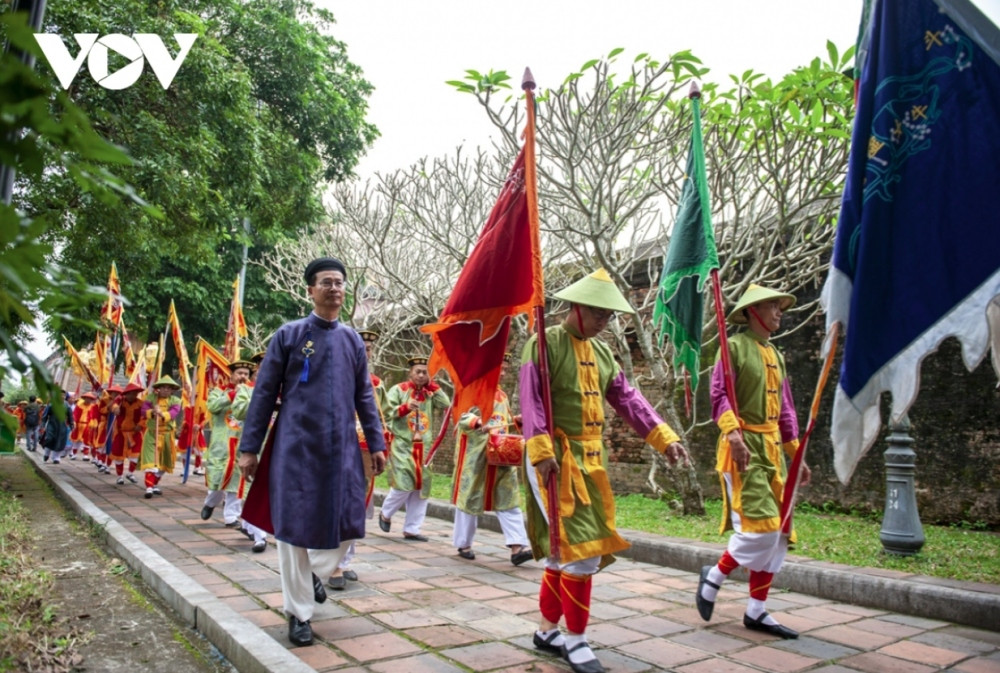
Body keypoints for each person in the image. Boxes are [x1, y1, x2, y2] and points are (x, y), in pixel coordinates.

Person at [519, 268, 689, 673]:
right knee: (582, 553)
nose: (604, 321)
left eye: (609, 316)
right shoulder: (542, 344)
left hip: (591, 462)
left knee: (566, 553)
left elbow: (629, 399)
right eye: (599, 313)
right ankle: (575, 640)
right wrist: (542, 453)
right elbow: (531, 401)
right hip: (554, 458)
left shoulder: (604, 353)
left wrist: (664, 437)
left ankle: (546, 631)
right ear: (577, 307)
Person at [237, 257, 387, 648]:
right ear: (310, 290)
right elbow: (264, 395)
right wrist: (249, 448)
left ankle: (315, 576)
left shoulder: (353, 340)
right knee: (291, 531)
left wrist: (376, 442)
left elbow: (364, 397)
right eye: (326, 282)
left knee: (348, 518)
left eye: (339, 282)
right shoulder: (289, 335)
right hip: (294, 447)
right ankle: (299, 613)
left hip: (340, 449)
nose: (334, 288)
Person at [695, 284, 810, 640]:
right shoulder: (732, 348)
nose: (779, 313)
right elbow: (718, 395)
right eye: (773, 307)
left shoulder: (776, 354)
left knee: (779, 535)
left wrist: (796, 454)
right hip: (742, 447)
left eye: (780, 307)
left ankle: (756, 610)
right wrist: (732, 434)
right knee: (760, 528)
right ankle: (713, 575)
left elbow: (786, 408)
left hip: (772, 448)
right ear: (753, 311)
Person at [452, 352, 532, 565]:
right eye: (500, 368)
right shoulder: (470, 389)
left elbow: (502, 421)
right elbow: (461, 417)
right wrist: (478, 422)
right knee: (470, 498)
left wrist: (516, 421)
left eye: (505, 369)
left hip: (501, 453)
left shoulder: (502, 396)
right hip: (476, 455)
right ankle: (463, 543)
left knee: (509, 497)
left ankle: (518, 547)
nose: (504, 372)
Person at [328, 329, 389, 589]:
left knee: (358, 502)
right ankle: (329, 561)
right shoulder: (333, 377)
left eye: (369, 349)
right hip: (335, 446)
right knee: (334, 501)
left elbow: (381, 415)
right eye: (361, 347)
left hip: (363, 450)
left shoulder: (376, 384)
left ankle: (344, 560)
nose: (365, 352)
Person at [378, 355, 450, 541]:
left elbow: (447, 405)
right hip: (403, 444)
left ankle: (412, 528)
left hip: (424, 447)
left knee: (422, 488)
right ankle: (386, 513)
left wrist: (434, 386)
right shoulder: (398, 390)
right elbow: (386, 412)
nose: (421, 375)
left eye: (425, 372)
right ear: (410, 372)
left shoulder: (430, 393)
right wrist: (405, 408)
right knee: (403, 483)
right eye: (418, 371)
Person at [201, 359, 254, 528]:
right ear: (231, 375)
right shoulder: (218, 391)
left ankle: (231, 516)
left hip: (240, 444)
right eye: (239, 373)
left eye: (246, 374)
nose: (243, 377)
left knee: (237, 480)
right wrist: (232, 395)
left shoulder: (252, 392)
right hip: (221, 445)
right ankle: (210, 503)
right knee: (217, 480)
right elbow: (212, 406)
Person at [232, 351, 269, 553]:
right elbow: (238, 410)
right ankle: (260, 536)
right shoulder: (246, 390)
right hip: (253, 448)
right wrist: (263, 399)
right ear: (257, 368)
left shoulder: (283, 388)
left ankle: (249, 525)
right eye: (264, 364)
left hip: (274, 447)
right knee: (251, 488)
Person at [139, 376, 182, 499]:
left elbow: (174, 413)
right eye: (163, 387)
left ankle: (153, 484)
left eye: (168, 388)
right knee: (150, 462)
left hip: (167, 435)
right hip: (152, 433)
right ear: (158, 388)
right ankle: (148, 488)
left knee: (164, 463)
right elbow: (143, 410)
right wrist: (152, 411)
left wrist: (162, 414)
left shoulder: (176, 400)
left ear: (172, 390)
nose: (165, 390)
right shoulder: (151, 398)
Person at [111, 382, 146, 484]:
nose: (132, 396)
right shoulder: (120, 401)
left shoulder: (141, 403)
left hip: (135, 433)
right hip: (120, 433)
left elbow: (145, 416)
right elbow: (115, 403)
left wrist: (140, 424)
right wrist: (115, 408)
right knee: (118, 455)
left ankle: (130, 473)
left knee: (136, 455)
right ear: (125, 394)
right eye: (130, 393)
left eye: (134, 393)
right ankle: (119, 476)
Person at [41, 391, 74, 464]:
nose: (62, 397)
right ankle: (46, 453)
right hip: (52, 425)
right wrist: (43, 426)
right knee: (49, 439)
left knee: (60, 441)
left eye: (64, 395)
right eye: (60, 395)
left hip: (62, 426)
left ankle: (56, 457)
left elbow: (70, 417)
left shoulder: (67, 405)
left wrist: (72, 426)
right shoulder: (51, 404)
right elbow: (45, 416)